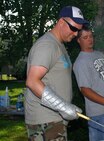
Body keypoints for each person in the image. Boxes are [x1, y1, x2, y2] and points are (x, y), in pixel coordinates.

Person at [25, 6, 89, 141]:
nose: (76, 34)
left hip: (54, 120)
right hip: (45, 122)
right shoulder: (47, 45)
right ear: (61, 22)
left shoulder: (59, 45)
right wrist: (63, 107)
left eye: (79, 30)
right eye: (73, 28)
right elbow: (32, 81)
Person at [73, 26, 104, 141]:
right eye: (85, 37)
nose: (90, 39)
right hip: (99, 113)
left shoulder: (99, 54)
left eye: (91, 36)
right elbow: (85, 90)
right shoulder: (80, 62)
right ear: (78, 40)